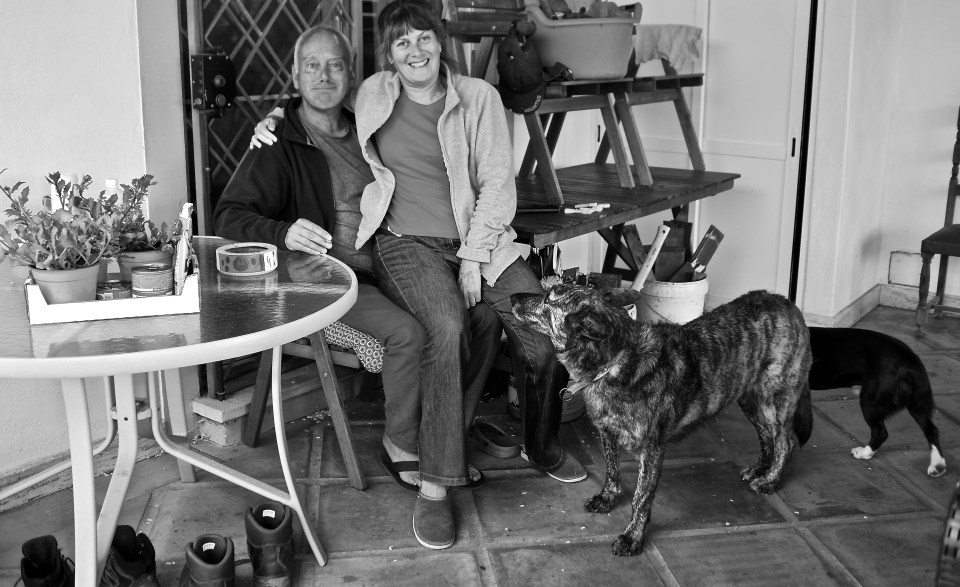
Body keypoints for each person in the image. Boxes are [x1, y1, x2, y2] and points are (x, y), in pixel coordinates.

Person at [214, 26, 500, 499]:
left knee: (482, 317)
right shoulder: (279, 140)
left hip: (398, 259)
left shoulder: (371, 122)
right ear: (295, 76)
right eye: (312, 66)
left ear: (351, 75)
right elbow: (229, 214)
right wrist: (283, 232)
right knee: (408, 333)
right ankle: (400, 442)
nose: (323, 76)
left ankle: (448, 439)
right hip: (333, 279)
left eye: (335, 65)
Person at [355, 0, 586, 550]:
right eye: (401, 43)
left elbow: (498, 186)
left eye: (423, 38)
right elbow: (315, 104)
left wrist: (475, 259)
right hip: (404, 244)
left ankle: (541, 442)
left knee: (545, 333)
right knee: (448, 326)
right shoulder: (372, 94)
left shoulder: (478, 97)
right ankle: (435, 487)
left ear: (440, 42)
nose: (415, 51)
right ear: (389, 55)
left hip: (479, 242)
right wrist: (271, 119)